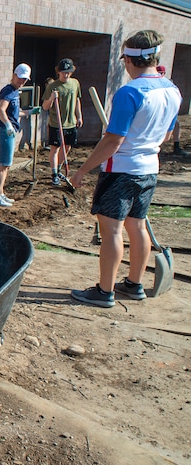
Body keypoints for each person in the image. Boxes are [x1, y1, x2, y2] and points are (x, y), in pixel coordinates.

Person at [70, 30, 181, 308]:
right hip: (149, 169)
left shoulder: (130, 92)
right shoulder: (172, 90)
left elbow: (113, 141)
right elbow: (167, 136)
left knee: (112, 231)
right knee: (137, 226)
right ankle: (134, 284)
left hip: (122, 171)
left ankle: (104, 291)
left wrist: (82, 170)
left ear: (129, 60)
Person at [0, 63, 39, 207]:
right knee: (3, 165)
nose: (22, 81)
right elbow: (1, 110)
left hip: (9, 131)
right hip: (5, 132)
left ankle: (0, 193)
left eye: (24, 79)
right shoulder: (8, 91)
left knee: (6, 166)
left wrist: (29, 113)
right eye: (20, 78)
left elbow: (15, 114)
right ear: (14, 75)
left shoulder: (15, 92)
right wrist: (7, 125)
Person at [42, 58, 83, 186]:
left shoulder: (75, 83)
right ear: (58, 72)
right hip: (56, 123)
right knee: (55, 149)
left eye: (68, 72)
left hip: (70, 123)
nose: (66, 75)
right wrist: (51, 98)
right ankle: (54, 174)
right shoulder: (52, 87)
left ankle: (59, 168)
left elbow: (77, 100)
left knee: (67, 147)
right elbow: (45, 107)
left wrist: (79, 116)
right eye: (63, 72)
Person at [156, 66, 189, 157]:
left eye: (162, 73)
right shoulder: (155, 83)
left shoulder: (168, 84)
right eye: (158, 72)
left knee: (176, 124)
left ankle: (176, 147)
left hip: (166, 110)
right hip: (157, 110)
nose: (160, 74)